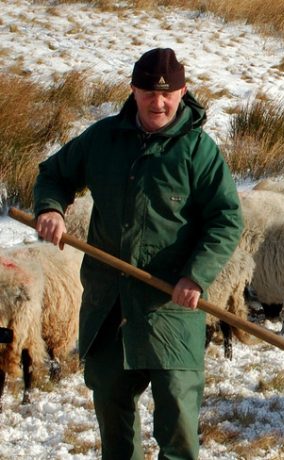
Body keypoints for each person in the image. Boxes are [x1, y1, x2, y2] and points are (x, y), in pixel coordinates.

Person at [32, 48, 242, 460]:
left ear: (182, 92)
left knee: (179, 422)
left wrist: (196, 275)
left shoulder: (198, 152)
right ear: (134, 89)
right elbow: (53, 174)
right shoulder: (103, 139)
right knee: (113, 416)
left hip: (170, 304)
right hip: (109, 303)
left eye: (167, 94)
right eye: (148, 92)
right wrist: (51, 207)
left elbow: (226, 219)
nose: (158, 102)